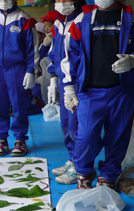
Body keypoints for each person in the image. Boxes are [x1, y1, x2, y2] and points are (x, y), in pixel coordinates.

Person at [61, 0, 134, 189]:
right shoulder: (82, 20)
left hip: (122, 92)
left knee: (118, 136)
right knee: (86, 136)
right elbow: (70, 55)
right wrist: (69, 86)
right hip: (89, 92)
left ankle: (109, 176)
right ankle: (84, 173)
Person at [0, 0, 38, 157]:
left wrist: (31, 70)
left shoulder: (24, 19)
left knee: (19, 103)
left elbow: (32, 48)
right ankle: (2, 139)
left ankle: (20, 139)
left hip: (17, 69)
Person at [46, 0, 84, 185]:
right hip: (63, 80)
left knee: (77, 125)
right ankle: (72, 159)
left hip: (78, 81)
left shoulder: (83, 20)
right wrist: (53, 77)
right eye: (58, 0)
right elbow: (54, 52)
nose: (60, 3)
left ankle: (80, 165)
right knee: (66, 124)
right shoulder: (58, 23)